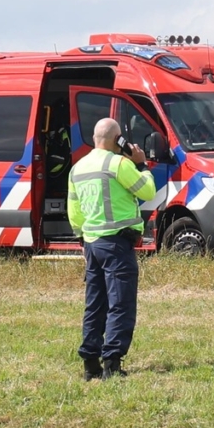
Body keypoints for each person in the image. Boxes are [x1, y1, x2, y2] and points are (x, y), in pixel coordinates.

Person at [70, 115, 156, 380]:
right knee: (120, 303)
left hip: (92, 244)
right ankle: (112, 363)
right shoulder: (119, 163)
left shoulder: (78, 168)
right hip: (117, 243)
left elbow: (74, 211)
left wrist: (83, 237)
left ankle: (90, 365)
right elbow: (148, 191)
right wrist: (141, 164)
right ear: (117, 139)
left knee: (95, 304)